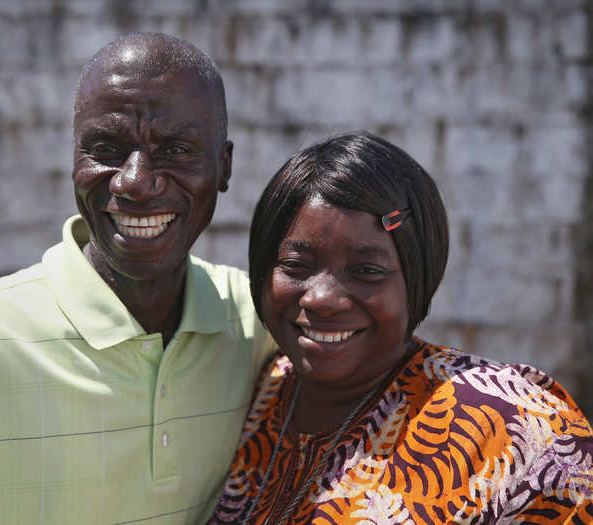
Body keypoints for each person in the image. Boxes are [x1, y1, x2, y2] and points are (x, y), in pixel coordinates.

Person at [0, 33, 273, 524]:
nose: (135, 181)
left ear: (223, 166)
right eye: (107, 148)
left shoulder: (260, 325)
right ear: (74, 159)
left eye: (176, 149)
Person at [207, 131, 593, 524]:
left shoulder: (513, 429)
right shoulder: (255, 395)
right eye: (296, 265)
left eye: (366, 271)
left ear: (417, 279)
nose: (321, 297)